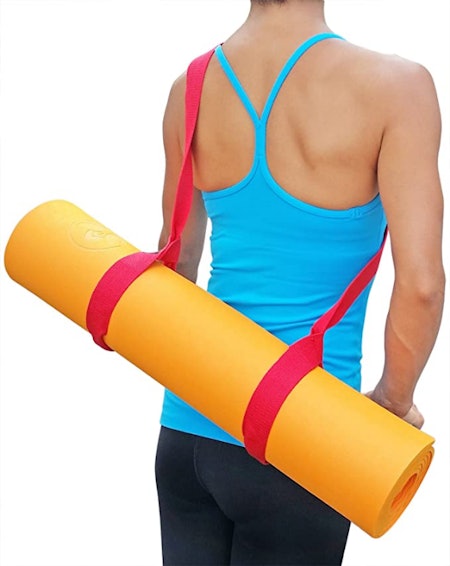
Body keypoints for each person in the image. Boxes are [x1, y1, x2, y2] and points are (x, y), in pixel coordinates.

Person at [155, 0, 445, 564]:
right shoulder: (396, 88)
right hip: (304, 440)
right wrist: (393, 401)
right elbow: (422, 285)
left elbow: (176, 265)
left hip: (187, 435)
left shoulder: (191, 87)